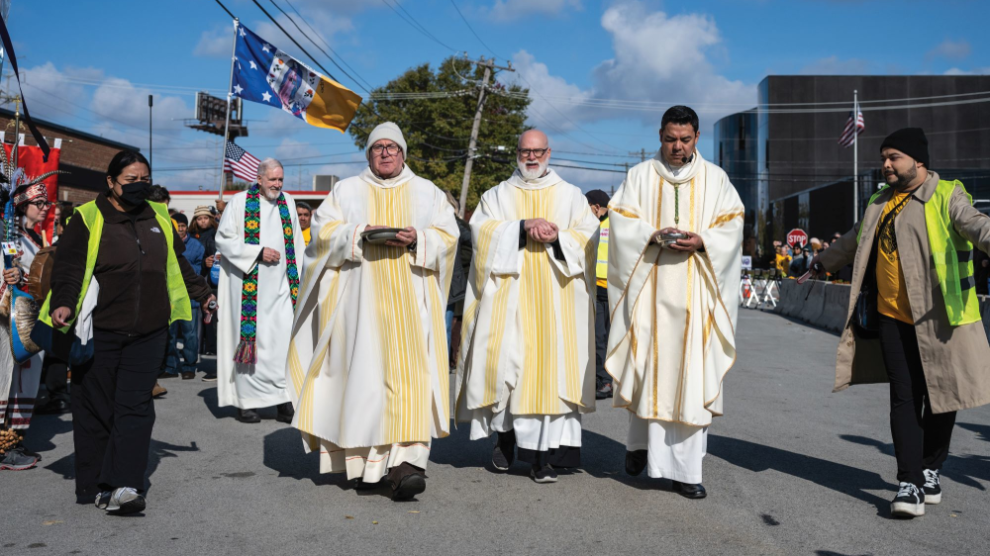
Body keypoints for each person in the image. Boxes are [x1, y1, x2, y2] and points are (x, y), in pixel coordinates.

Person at [809, 128, 990, 519]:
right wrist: (821, 263)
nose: (886, 165)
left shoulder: (947, 195)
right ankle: (909, 481)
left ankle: (930, 468)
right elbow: (855, 239)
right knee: (904, 397)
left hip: (941, 318)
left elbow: (977, 225)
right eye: (883, 158)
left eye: (894, 157)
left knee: (943, 397)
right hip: (892, 316)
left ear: (918, 160)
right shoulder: (879, 201)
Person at [286, 122, 458, 501]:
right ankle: (368, 467)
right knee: (363, 384)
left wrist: (419, 238)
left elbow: (449, 237)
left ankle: (407, 465)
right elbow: (321, 234)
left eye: (392, 147)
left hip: (413, 305)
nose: (385, 153)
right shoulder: (345, 191)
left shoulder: (427, 192)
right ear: (368, 154)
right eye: (377, 147)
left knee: (412, 380)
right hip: (358, 307)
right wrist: (357, 233)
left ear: (403, 153)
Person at [42, 150, 215, 513]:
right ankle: (94, 484)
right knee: (97, 408)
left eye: (145, 179)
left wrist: (205, 295)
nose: (139, 185)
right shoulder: (88, 217)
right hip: (99, 332)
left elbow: (178, 264)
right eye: (131, 180)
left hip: (149, 332)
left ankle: (125, 485)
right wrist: (64, 303)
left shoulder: (159, 217)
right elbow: (69, 268)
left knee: (136, 408)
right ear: (111, 182)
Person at [607, 105, 743, 499]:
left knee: (690, 380)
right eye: (670, 139)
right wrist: (650, 234)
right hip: (649, 293)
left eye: (684, 139)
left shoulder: (716, 179)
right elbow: (619, 219)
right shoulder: (639, 176)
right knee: (646, 371)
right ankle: (639, 446)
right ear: (660, 137)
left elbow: (733, 224)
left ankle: (686, 472)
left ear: (697, 137)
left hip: (696, 296)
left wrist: (703, 241)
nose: (677, 147)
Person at [456, 130, 599, 484]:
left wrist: (558, 237)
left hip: (556, 305)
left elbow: (589, 235)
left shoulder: (570, 196)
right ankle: (505, 438)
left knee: (548, 379)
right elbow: (481, 232)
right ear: (517, 153)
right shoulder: (497, 195)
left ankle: (541, 458)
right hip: (510, 304)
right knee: (508, 373)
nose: (531, 157)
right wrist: (520, 228)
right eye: (525, 151)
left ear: (548, 153)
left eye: (537, 151)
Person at [215, 158, 304, 424]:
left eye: (280, 179)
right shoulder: (240, 202)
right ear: (259, 178)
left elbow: (297, 242)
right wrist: (256, 252)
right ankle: (247, 402)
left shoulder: (287, 202)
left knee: (282, 344)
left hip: (282, 288)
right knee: (250, 344)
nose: (277, 184)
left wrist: (300, 280)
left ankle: (283, 401)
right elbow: (224, 239)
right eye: (272, 179)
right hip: (248, 290)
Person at [0, 182, 50, 471]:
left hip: (29, 314)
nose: (44, 208)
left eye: (46, 203)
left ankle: (14, 440)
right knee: (8, 380)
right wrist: (13, 278)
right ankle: (4, 446)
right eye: (38, 203)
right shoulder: (10, 235)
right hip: (11, 317)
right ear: (20, 206)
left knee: (24, 382)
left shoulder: (29, 236)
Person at [160, 213, 204, 380]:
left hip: (189, 295)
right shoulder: (165, 241)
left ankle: (189, 367)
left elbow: (199, 269)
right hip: (170, 295)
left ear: (187, 227)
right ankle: (170, 366)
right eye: (177, 226)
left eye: (183, 226)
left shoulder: (196, 246)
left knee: (190, 334)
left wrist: (182, 267)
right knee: (170, 333)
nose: (180, 229)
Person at [586, 189, 613, 399]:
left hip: (611, 289)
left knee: (607, 338)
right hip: (597, 288)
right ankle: (603, 380)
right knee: (598, 337)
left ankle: (606, 381)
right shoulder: (589, 225)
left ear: (596, 207)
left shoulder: (615, 224)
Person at [444, 191, 472, 368]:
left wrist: (459, 265)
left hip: (452, 281)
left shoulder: (457, 225)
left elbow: (474, 244)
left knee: (446, 325)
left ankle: (444, 364)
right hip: (446, 279)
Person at [190, 206, 219, 364]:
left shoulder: (216, 234)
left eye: (206, 218)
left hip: (212, 280)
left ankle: (212, 346)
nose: (203, 221)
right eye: (200, 218)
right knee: (197, 316)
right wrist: (203, 262)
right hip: (196, 277)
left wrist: (211, 261)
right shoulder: (191, 236)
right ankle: (198, 347)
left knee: (211, 313)